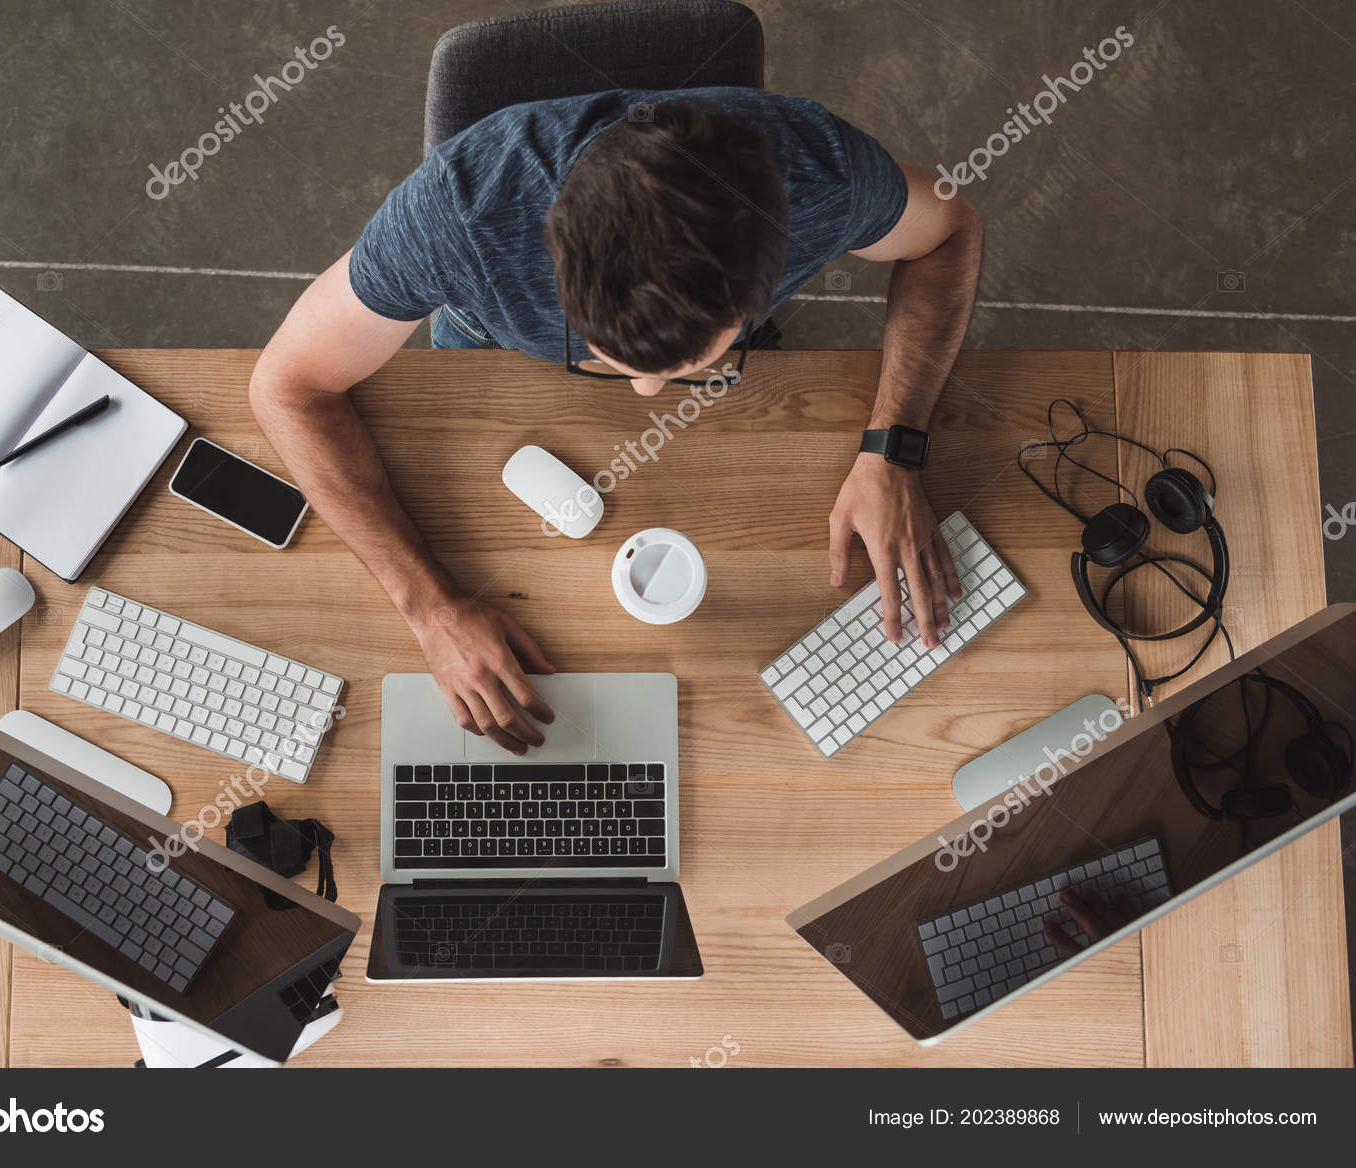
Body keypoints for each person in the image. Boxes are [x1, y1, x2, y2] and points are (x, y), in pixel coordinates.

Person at [250, 89, 983, 756]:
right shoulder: (460, 216)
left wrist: (894, 447)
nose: (646, 393)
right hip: (491, 363)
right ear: (554, 257)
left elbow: (950, 229)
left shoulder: (826, 178)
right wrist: (428, 607)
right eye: (609, 352)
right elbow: (285, 386)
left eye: (688, 363)